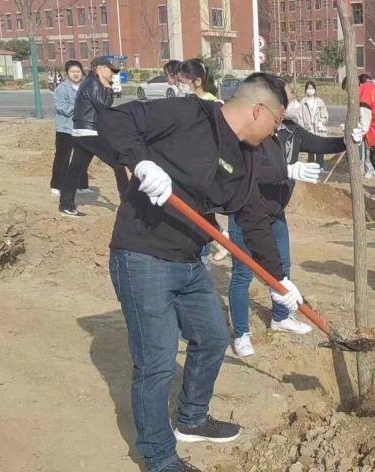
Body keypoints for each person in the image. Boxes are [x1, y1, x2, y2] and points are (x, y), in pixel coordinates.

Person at [99, 73, 303, 472]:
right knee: (156, 363)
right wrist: (140, 162)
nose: (276, 132)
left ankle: (191, 419)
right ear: (258, 110)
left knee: (211, 339)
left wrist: (279, 281)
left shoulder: (247, 158)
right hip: (143, 257)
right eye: (277, 123)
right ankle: (158, 458)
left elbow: (254, 221)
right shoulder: (188, 114)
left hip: (190, 262)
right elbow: (113, 121)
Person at [229, 107, 339, 357]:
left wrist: (349, 140)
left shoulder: (290, 132)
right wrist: (287, 170)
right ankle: (241, 333)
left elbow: (321, 144)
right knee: (242, 275)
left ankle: (280, 318)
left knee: (282, 269)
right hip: (246, 212)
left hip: (276, 214)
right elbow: (251, 173)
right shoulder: (249, 134)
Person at [58, 55, 130, 217]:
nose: (113, 74)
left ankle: (65, 205)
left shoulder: (94, 83)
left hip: (84, 131)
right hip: (89, 132)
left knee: (76, 169)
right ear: (100, 69)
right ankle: (127, 203)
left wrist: (107, 87)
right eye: (111, 70)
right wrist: (109, 88)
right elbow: (103, 108)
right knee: (118, 162)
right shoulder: (93, 84)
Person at [51, 60, 86, 197]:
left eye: (78, 71)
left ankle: (82, 185)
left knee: (81, 157)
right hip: (65, 129)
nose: (76, 74)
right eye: (72, 71)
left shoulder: (86, 86)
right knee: (62, 157)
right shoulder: (62, 88)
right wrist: (80, 107)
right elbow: (61, 107)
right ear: (67, 73)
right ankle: (56, 185)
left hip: (82, 128)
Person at [293, 81, 330, 165]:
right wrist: (303, 128)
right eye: (309, 88)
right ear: (306, 90)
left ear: (315, 90)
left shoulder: (320, 101)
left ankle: (320, 166)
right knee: (311, 149)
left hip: (319, 129)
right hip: (308, 128)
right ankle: (311, 166)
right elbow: (300, 117)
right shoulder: (303, 102)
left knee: (320, 148)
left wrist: (321, 122)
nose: (310, 90)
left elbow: (325, 114)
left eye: (312, 88)